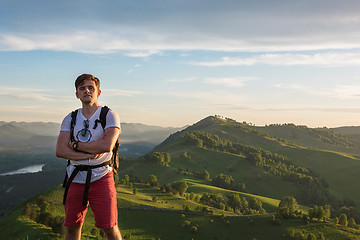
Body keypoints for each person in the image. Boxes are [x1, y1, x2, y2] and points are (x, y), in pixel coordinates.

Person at [56, 74, 122, 240]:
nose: (87, 91)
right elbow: (60, 150)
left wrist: (76, 146)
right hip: (75, 177)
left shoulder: (109, 115)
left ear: (98, 92)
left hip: (102, 177)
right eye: (82, 88)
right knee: (72, 227)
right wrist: (92, 152)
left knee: (110, 228)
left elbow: (107, 145)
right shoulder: (70, 118)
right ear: (77, 94)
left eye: (91, 87)